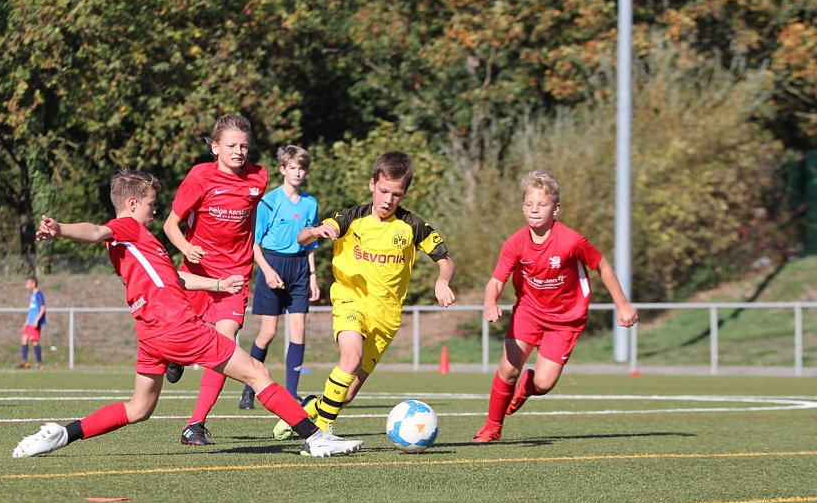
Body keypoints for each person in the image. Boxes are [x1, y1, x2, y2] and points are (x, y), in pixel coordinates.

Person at [12, 169, 361, 459]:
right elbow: (95, 230)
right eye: (151, 203)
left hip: (151, 335)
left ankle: (62, 434)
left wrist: (218, 285)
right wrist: (61, 229)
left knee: (139, 409)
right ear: (132, 204)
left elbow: (175, 279)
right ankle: (316, 438)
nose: (154, 210)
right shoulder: (128, 228)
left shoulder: (134, 245)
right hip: (177, 326)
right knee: (257, 372)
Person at [273, 151, 456, 440]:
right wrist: (316, 231)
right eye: (383, 191)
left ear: (404, 193)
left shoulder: (413, 225)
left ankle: (308, 409)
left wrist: (442, 281)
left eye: (396, 194)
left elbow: (445, 261)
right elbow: (301, 238)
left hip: (386, 318)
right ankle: (321, 434)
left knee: (346, 395)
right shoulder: (351, 217)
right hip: (350, 300)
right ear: (372, 184)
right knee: (351, 355)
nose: (388, 200)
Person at [471, 170, 638, 443]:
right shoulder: (515, 243)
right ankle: (492, 426)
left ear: (555, 208)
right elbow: (496, 281)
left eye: (542, 204)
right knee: (508, 369)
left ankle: (526, 387)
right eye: (529, 204)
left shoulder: (571, 241)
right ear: (522, 207)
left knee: (544, 383)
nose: (534, 210)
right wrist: (490, 303)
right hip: (528, 313)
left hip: (565, 320)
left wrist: (622, 304)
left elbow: (602, 266)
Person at [162, 115, 268, 445]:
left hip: (235, 276)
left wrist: (249, 250)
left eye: (244, 146)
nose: (239, 152)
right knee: (183, 338)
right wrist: (186, 249)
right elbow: (170, 225)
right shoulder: (199, 177)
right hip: (198, 275)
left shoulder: (259, 178)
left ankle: (194, 424)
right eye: (231, 145)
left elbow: (250, 214)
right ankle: (177, 357)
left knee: (223, 345)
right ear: (215, 147)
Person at [238, 145, 320, 410]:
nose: (297, 173)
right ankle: (248, 390)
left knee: (298, 330)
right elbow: (254, 244)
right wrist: (267, 270)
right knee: (268, 332)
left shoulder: (310, 203)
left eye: (302, 168)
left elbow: (310, 244)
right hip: (272, 264)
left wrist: (313, 276)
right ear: (283, 169)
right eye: (292, 168)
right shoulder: (268, 201)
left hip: (299, 268)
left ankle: (292, 393)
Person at [18, 276, 46, 369]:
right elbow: (31, 310)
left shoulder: (38, 294)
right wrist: (26, 322)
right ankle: (24, 361)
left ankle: (39, 363)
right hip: (29, 322)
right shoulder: (32, 295)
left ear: (33, 284)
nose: (26, 286)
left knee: (34, 341)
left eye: (27, 284)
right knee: (24, 339)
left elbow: (42, 308)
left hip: (34, 322)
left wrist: (36, 320)